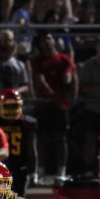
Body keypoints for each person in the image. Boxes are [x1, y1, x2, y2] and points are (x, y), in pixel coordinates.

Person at [30, 33, 77, 182]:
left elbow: (70, 77)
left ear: (54, 41)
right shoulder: (37, 61)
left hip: (61, 106)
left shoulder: (64, 59)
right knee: (41, 139)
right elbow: (39, 80)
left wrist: (69, 91)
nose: (47, 42)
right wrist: (51, 94)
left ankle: (61, 172)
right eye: (43, 40)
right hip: (43, 104)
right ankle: (40, 172)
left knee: (61, 139)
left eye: (49, 39)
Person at [0, 88, 38, 195]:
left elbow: (31, 149)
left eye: (14, 106)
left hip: (20, 167)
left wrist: (33, 172)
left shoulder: (27, 123)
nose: (10, 109)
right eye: (7, 106)